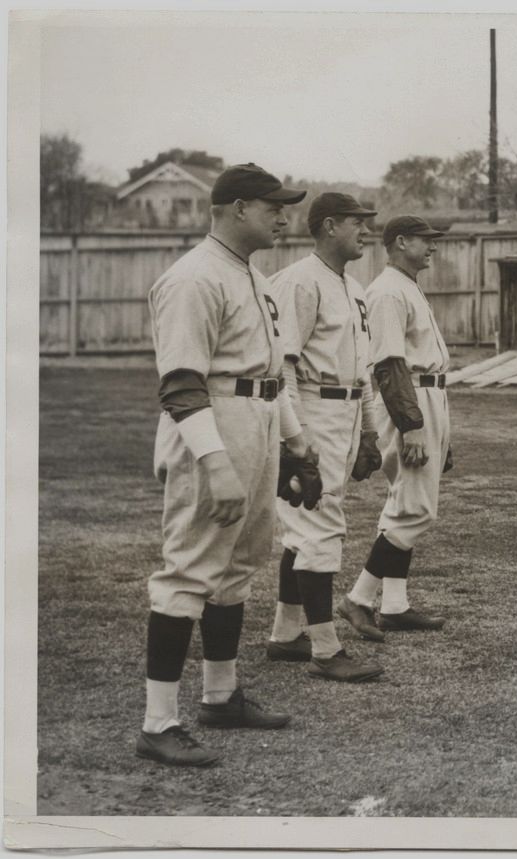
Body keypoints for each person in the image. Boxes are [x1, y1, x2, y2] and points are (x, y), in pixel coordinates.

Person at [138, 163, 311, 766]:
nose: (284, 216)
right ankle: (158, 722)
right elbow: (182, 384)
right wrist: (214, 462)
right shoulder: (192, 278)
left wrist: (297, 442)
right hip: (211, 424)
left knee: (239, 563)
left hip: (257, 418)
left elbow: (274, 374)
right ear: (238, 209)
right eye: (274, 207)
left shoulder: (254, 278)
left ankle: (220, 694)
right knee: (189, 570)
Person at [264, 193, 386, 683]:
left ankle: (284, 635)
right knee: (318, 524)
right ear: (330, 225)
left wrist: (372, 433)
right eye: (359, 222)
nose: (367, 230)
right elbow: (283, 368)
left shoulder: (353, 288)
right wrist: (296, 439)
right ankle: (325, 647)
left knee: (305, 528)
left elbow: (363, 375)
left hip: (347, 410)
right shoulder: (299, 280)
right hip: (311, 408)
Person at [338, 215, 451, 634]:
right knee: (415, 509)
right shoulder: (386, 291)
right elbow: (387, 363)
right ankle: (358, 598)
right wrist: (412, 425)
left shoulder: (407, 287)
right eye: (426, 240)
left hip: (427, 394)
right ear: (401, 242)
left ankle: (395, 605)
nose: (433, 247)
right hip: (408, 397)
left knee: (404, 503)